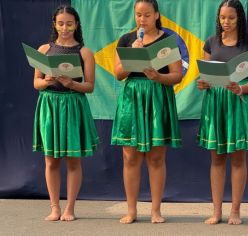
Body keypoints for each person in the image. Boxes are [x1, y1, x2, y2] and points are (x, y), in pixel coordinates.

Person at [197, 0, 248, 225]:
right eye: (222, 18)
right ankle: (217, 211)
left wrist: (241, 87)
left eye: (231, 18)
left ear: (240, 18)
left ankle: (235, 211)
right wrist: (202, 83)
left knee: (238, 158)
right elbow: (205, 76)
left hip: (239, 102)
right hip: (216, 103)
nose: (226, 22)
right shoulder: (211, 42)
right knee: (217, 158)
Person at [111, 0, 182, 224]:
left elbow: (177, 75)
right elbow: (118, 74)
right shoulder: (126, 40)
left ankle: (155, 210)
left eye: (147, 15)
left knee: (156, 156)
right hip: (132, 98)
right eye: (138, 15)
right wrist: (133, 55)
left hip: (158, 97)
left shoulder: (167, 41)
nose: (142, 19)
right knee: (130, 156)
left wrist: (158, 77)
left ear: (157, 15)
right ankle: (131, 211)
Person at [32, 5, 99, 221]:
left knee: (73, 160)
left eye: (69, 23)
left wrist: (72, 83)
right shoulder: (44, 50)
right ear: (54, 24)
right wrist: (46, 81)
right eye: (60, 23)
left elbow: (89, 86)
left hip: (73, 105)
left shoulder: (84, 52)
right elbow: (36, 83)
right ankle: (54, 207)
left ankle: (70, 208)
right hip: (50, 105)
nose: (65, 28)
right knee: (50, 160)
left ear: (77, 25)